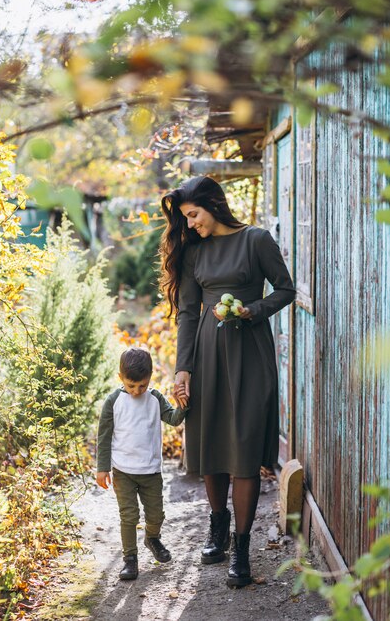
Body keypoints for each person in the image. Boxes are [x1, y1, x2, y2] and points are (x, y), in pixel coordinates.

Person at [159, 176, 296, 588]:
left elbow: (285, 290)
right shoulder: (193, 250)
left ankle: (241, 548)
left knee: (245, 444)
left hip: (249, 351)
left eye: (194, 215)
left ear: (213, 206)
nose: (191, 224)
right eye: (185, 218)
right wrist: (183, 369)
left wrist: (250, 311)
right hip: (206, 355)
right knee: (210, 440)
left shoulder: (256, 240)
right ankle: (217, 528)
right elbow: (186, 312)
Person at [96, 347, 188, 580]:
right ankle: (130, 559)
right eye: (131, 386)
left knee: (156, 515)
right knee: (129, 516)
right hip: (123, 471)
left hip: (150, 471)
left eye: (142, 386)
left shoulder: (155, 398)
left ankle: (152, 538)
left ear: (150, 378)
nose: (137, 391)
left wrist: (182, 404)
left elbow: (173, 419)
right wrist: (102, 468)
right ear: (121, 379)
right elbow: (104, 436)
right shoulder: (114, 401)